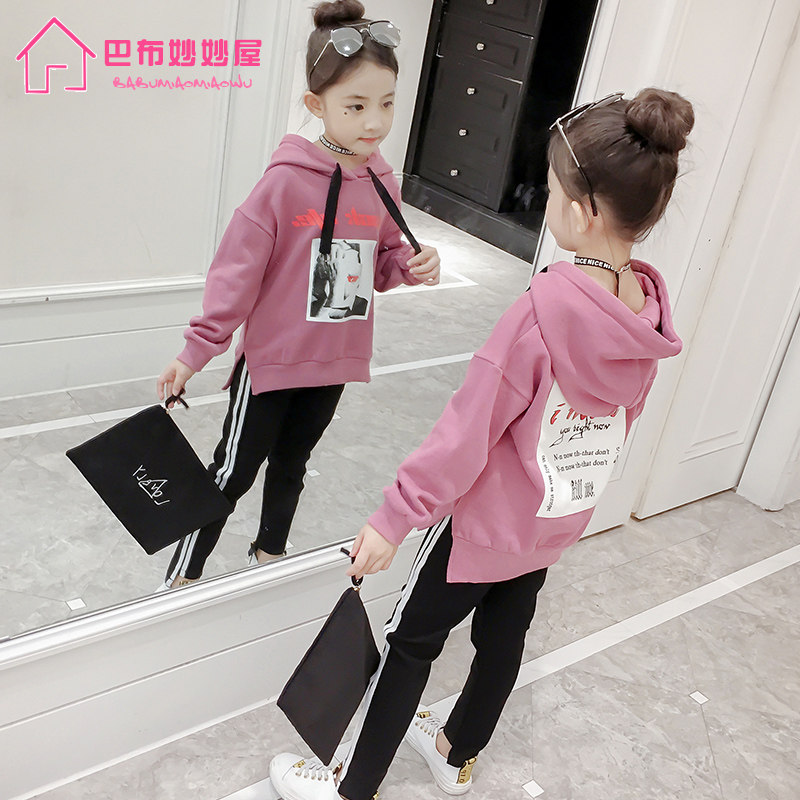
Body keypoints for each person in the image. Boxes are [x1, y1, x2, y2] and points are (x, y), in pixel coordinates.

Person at [269, 87, 694, 800]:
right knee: (506, 634)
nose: (547, 201)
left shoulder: (540, 314)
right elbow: (620, 422)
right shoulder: (644, 318)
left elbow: (465, 436)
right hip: (551, 520)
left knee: (410, 643)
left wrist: (396, 517)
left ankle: (350, 786)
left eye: (553, 191)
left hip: (480, 526)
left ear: (584, 213)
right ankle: (456, 752)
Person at [156, 0, 441, 590]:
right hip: (271, 364)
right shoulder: (284, 183)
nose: (374, 122)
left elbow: (382, 261)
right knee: (232, 472)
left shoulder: (382, 181)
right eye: (356, 106)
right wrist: (195, 351)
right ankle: (182, 576)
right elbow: (236, 275)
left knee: (292, 465)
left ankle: (269, 559)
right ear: (317, 106)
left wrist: (412, 266)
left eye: (387, 103)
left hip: (334, 361)